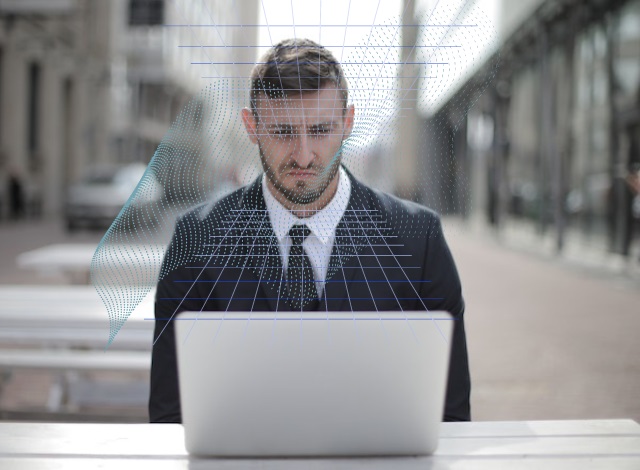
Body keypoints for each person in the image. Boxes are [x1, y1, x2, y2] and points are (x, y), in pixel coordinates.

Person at [149, 38, 470, 423]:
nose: (303, 155)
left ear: (348, 124)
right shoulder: (195, 240)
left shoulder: (419, 240)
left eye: (320, 130)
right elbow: (168, 416)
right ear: (252, 126)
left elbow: (451, 416)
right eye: (283, 132)